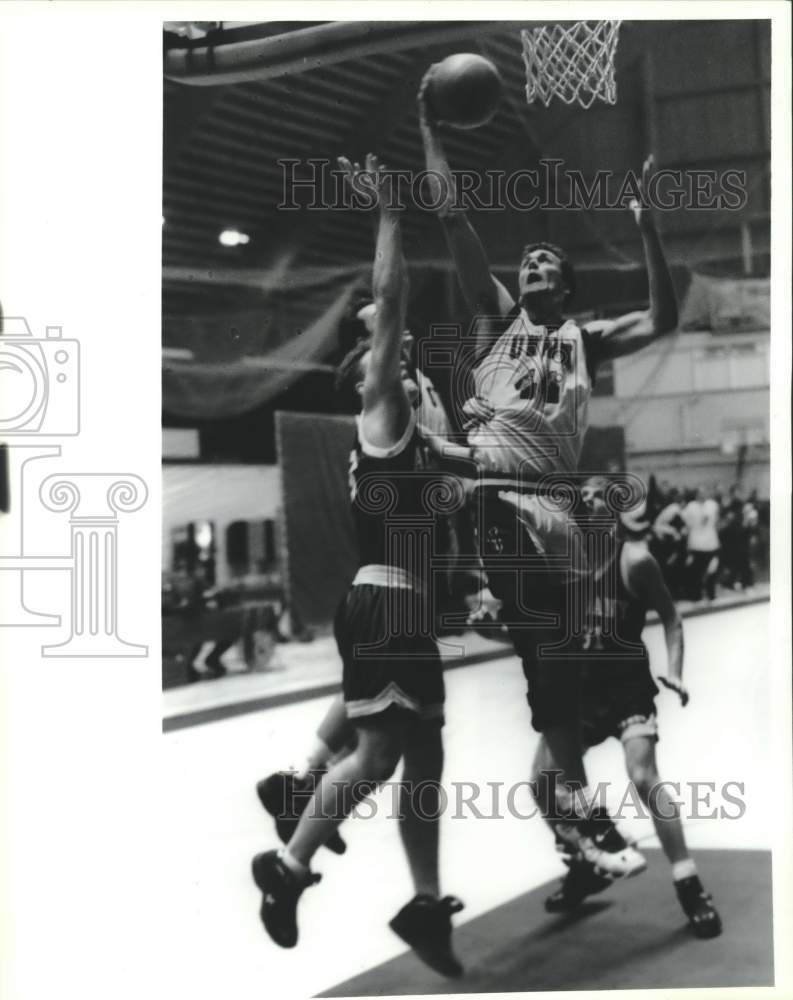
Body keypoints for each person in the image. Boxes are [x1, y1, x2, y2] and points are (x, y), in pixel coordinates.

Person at [418, 74, 679, 875]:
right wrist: (428, 124)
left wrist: (648, 230)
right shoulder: (495, 317)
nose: (530, 262)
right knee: (544, 652)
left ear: (561, 283)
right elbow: (451, 213)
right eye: (524, 259)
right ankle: (583, 812)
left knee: (561, 662)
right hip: (501, 499)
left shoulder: (582, 338)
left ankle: (576, 813)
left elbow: (663, 318)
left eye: (543, 260)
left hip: (562, 511)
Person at [251, 154, 464, 977]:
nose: (396, 335)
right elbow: (397, 307)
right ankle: (287, 867)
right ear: (377, 360)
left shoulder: (414, 423)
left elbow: (463, 467)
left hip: (403, 606)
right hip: (384, 603)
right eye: (385, 332)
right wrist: (387, 214)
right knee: (378, 758)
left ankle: (421, 897)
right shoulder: (382, 403)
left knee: (427, 756)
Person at [533, 476, 722, 939]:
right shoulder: (565, 564)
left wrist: (676, 670)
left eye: (600, 495)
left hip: (625, 688)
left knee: (643, 776)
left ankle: (689, 883)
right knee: (541, 784)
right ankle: (584, 864)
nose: (591, 500)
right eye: (586, 496)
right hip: (580, 691)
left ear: (616, 510)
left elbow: (673, 619)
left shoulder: (635, 561)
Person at [681, 487, 721, 601]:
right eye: (700, 494)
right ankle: (695, 595)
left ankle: (711, 594)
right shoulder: (691, 506)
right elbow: (687, 523)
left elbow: (716, 519)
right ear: (696, 495)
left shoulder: (712, 505)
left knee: (712, 570)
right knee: (696, 572)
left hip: (711, 543)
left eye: (705, 493)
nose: (703, 496)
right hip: (697, 544)